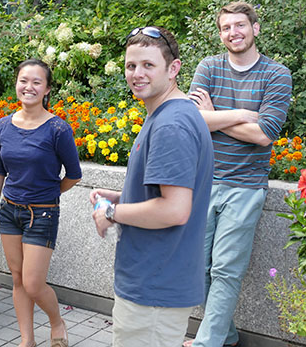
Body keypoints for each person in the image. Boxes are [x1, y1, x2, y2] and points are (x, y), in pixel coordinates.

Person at [91, 26, 214, 347]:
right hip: (157, 284)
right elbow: (167, 195)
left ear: (173, 69)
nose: (137, 73)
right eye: (131, 66)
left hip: (154, 289)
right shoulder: (170, 116)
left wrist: (112, 211)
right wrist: (123, 197)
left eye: (148, 65)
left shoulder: (171, 125)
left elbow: (174, 209)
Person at [185, 1, 292, 347]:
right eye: (226, 27)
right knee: (195, 268)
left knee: (226, 270)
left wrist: (216, 114)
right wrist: (243, 114)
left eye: (240, 25)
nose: (234, 33)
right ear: (220, 34)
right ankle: (226, 334)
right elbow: (193, 119)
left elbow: (264, 134)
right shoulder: (209, 68)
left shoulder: (276, 75)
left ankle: (207, 343)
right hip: (202, 182)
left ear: (255, 29)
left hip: (245, 187)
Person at [0, 59, 82, 347]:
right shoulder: (3, 126)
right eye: (23, 80)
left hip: (42, 214)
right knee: (17, 279)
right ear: (16, 83)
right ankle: (26, 340)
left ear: (47, 89)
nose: (29, 87)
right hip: (9, 212)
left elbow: (74, 175)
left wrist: (49, 195)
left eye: (36, 82)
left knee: (33, 283)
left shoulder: (57, 129)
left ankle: (57, 322)